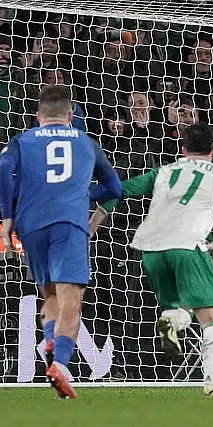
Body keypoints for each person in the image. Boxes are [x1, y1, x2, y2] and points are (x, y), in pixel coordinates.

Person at [89, 123, 213, 398]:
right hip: (188, 246)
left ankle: (171, 319)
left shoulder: (163, 172)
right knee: (212, 318)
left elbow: (120, 190)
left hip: (151, 250)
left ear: (182, 150)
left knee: (178, 306)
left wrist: (91, 225)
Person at [0, 85, 122, 399]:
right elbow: (114, 188)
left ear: (38, 116)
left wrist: (7, 217)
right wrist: (82, 195)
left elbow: (2, 168)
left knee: (50, 293)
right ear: (70, 115)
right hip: (68, 222)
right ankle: (61, 365)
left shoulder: (21, 141)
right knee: (72, 299)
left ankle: (52, 342)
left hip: (30, 225)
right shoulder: (85, 141)